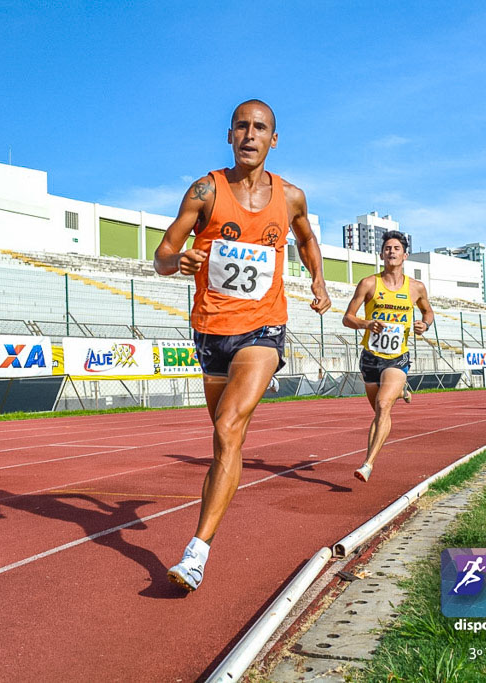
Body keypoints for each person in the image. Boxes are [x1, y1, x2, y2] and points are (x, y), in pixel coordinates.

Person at [153, 100, 330, 591]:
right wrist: (179, 262)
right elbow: (161, 254)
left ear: (274, 140)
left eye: (261, 128)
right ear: (229, 135)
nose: (250, 135)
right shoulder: (205, 189)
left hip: (263, 328)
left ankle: (196, 551)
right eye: (242, 126)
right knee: (225, 441)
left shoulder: (291, 196)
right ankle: (218, 499)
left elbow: (306, 239)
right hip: (211, 331)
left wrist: (318, 281)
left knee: (229, 427)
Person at [342, 231, 434, 482]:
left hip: (397, 357)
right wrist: (365, 323)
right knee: (379, 411)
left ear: (404, 255)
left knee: (384, 406)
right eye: (387, 248)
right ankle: (403, 390)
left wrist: (424, 325)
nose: (391, 251)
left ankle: (368, 464)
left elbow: (429, 314)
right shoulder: (369, 283)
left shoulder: (416, 287)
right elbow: (347, 318)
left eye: (396, 248)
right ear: (381, 254)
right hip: (371, 357)